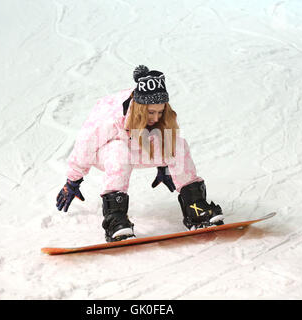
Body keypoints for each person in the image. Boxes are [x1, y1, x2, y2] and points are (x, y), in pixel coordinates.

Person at [56, 65, 223, 242]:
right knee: (119, 151)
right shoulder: (112, 118)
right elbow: (85, 146)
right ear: (140, 108)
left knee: (179, 145)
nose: (156, 117)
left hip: (137, 146)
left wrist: (164, 166)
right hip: (106, 153)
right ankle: (115, 218)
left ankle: (195, 208)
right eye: (151, 112)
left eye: (160, 112)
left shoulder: (163, 117)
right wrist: (72, 181)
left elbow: (166, 142)